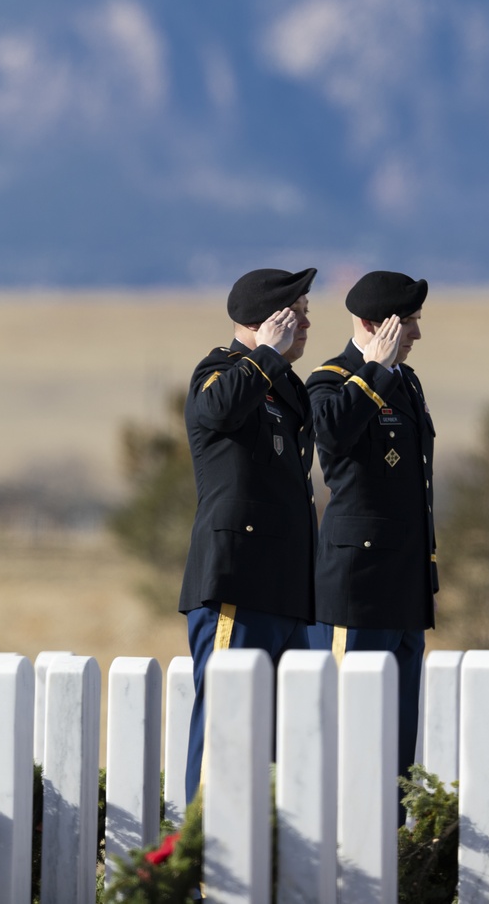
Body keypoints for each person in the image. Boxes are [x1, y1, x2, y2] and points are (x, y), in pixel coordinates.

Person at [178, 265, 317, 802]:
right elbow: (213, 412)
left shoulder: (283, 386)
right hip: (239, 583)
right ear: (268, 321)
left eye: (306, 316)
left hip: (284, 590)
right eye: (296, 316)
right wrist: (265, 355)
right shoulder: (221, 372)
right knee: (224, 730)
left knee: (280, 746)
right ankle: (205, 876)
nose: (305, 326)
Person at [307, 270, 436, 792]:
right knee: (347, 728)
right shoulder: (331, 378)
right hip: (356, 586)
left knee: (398, 744)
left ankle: (394, 850)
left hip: (404, 583)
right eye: (408, 324)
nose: (416, 335)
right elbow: (333, 434)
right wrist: (374, 370)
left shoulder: (407, 382)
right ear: (371, 324)